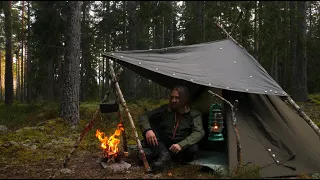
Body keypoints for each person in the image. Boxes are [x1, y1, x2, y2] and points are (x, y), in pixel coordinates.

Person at [138, 85, 205, 171]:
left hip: (181, 144)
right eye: (172, 97)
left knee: (193, 149)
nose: (173, 100)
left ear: (184, 99)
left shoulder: (194, 114)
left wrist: (181, 145)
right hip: (165, 144)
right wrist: (148, 130)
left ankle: (165, 159)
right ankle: (164, 155)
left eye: (177, 98)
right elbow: (144, 116)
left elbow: (199, 132)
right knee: (150, 129)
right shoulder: (166, 109)